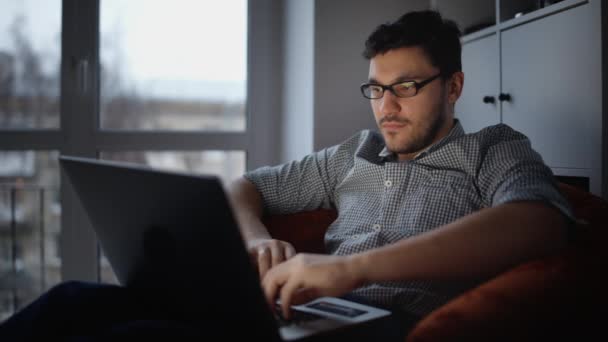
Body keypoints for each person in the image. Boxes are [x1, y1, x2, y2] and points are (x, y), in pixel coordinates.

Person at [0, 10, 572, 341]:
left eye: (406, 86)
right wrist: (257, 240)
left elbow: (539, 225)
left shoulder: (494, 148)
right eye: (376, 88)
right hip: (300, 316)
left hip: (385, 328)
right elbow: (242, 186)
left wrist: (348, 270)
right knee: (71, 300)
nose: (386, 106)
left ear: (453, 87)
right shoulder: (354, 153)